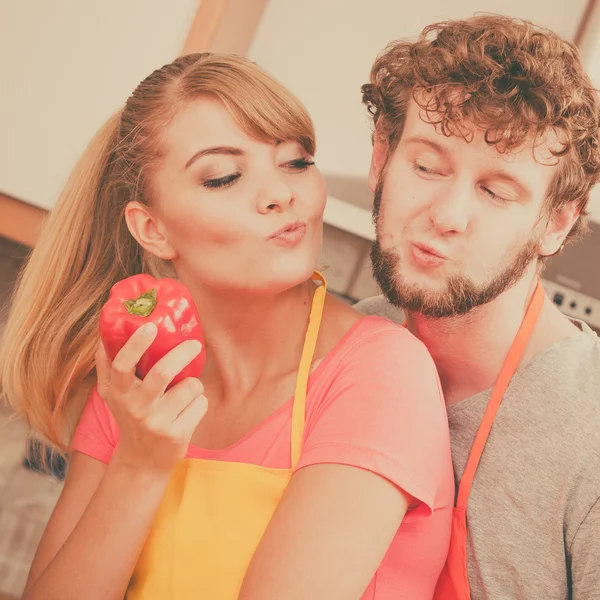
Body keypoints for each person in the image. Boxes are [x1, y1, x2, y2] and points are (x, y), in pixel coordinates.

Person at [0, 53, 453, 600]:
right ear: (153, 228)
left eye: (295, 162)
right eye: (224, 177)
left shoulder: (380, 372)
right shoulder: (140, 382)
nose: (281, 194)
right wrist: (140, 463)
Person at [356, 15, 600, 600]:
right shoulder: (348, 345)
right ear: (381, 158)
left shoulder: (590, 431)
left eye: (495, 191)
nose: (447, 214)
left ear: (556, 222)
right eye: (427, 165)